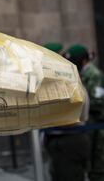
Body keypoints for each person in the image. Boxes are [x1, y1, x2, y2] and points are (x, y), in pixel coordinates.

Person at [44, 42, 91, 181]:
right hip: (65, 137)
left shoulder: (64, 79)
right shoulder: (65, 76)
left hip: (69, 138)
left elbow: (78, 111)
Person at [64, 44, 104, 181]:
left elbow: (98, 101)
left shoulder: (93, 74)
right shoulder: (81, 73)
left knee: (98, 163)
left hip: (96, 124)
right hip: (87, 124)